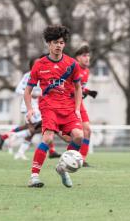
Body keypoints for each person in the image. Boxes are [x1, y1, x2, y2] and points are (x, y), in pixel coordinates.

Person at [24, 25, 87, 188]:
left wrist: (77, 109)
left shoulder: (72, 64)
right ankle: (34, 176)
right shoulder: (39, 65)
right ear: (49, 44)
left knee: (79, 136)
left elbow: (78, 87)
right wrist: (30, 108)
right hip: (49, 106)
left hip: (67, 107)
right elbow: (28, 90)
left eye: (61, 42)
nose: (59, 45)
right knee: (48, 138)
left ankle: (62, 167)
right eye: (55, 42)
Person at [0, 57, 61, 160]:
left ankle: (15, 146)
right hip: (30, 106)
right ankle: (12, 136)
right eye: (37, 63)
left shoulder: (45, 75)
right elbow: (18, 90)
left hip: (40, 106)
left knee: (33, 129)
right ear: (32, 66)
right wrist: (31, 95)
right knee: (45, 126)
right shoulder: (28, 76)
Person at [70, 44, 98, 167]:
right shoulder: (72, 68)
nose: (87, 58)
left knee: (87, 130)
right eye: (84, 55)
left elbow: (80, 88)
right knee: (71, 135)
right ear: (77, 58)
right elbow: (67, 87)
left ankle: (81, 159)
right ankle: (69, 157)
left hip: (79, 103)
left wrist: (87, 92)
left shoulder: (86, 71)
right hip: (68, 104)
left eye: (88, 55)